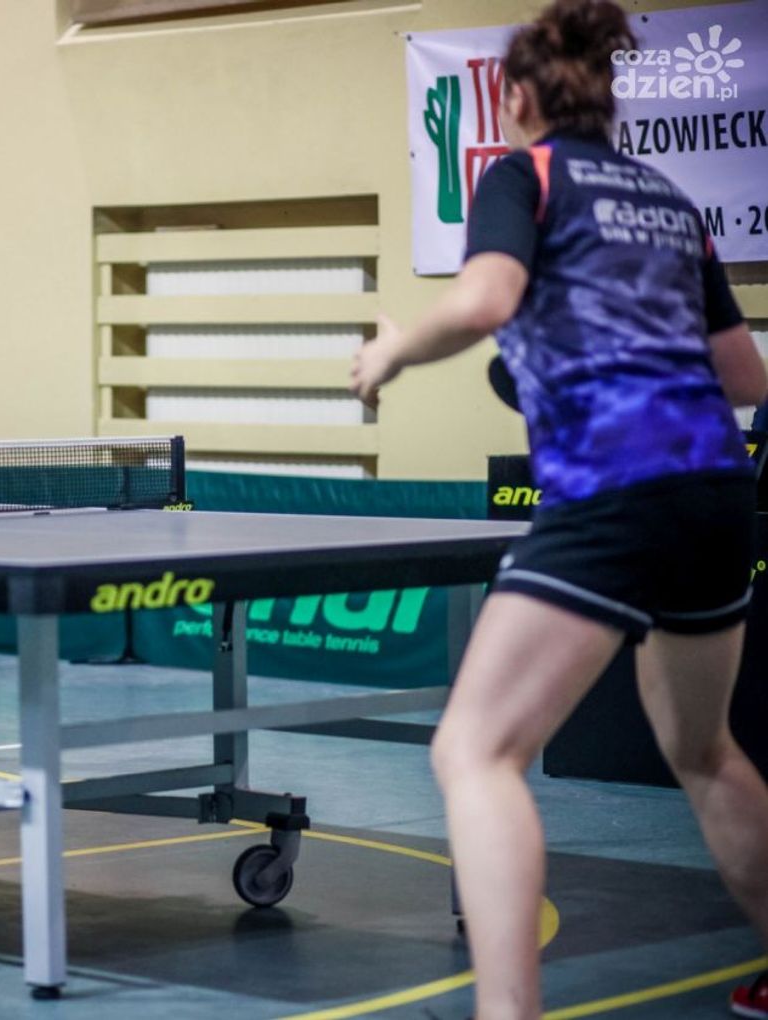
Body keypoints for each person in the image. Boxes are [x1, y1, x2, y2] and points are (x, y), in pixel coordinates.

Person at [349, 2, 768, 1016]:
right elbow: (745, 376)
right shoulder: (669, 201)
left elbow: (488, 299)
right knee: (705, 751)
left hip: (614, 487)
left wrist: (393, 353)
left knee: (474, 748)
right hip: (719, 493)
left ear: (518, 97)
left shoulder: (521, 176)